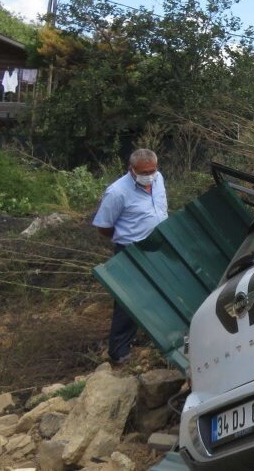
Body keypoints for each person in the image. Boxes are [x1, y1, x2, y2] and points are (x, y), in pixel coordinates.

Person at [92, 148, 169, 365]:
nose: (150, 175)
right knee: (129, 301)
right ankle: (119, 351)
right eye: (144, 172)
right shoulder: (117, 192)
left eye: (153, 170)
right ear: (131, 169)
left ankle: (158, 339)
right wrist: (126, 238)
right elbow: (104, 226)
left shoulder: (158, 179)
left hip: (160, 246)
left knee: (160, 294)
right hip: (131, 250)